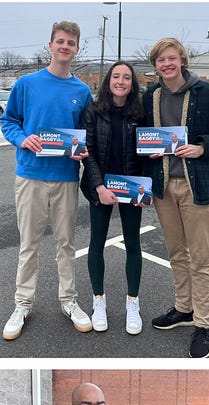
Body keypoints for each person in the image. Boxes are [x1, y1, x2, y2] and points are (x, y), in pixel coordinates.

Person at [142, 37, 209, 358]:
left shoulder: (206, 93)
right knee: (176, 253)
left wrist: (201, 146)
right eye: (160, 60)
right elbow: (144, 136)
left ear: (182, 60)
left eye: (171, 58)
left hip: (197, 186)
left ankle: (204, 323)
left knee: (200, 258)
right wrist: (150, 152)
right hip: (164, 188)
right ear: (155, 65)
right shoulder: (150, 96)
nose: (166, 64)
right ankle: (183, 309)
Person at [0, 21, 94, 338]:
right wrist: (22, 139)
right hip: (31, 176)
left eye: (71, 43)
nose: (65, 47)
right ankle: (22, 304)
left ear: (77, 49)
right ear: (50, 45)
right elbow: (9, 121)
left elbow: (87, 134)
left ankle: (69, 301)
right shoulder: (27, 84)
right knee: (30, 245)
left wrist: (83, 151)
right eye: (60, 42)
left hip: (66, 177)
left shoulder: (82, 92)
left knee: (66, 244)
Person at [80, 61, 146, 335]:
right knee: (97, 242)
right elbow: (88, 152)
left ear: (132, 84)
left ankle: (133, 302)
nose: (121, 81)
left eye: (126, 77)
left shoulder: (141, 113)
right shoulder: (94, 111)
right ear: (108, 80)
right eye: (116, 76)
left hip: (131, 186)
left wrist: (146, 189)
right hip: (102, 187)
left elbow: (148, 149)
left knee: (133, 243)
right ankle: (99, 301)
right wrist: (98, 187)